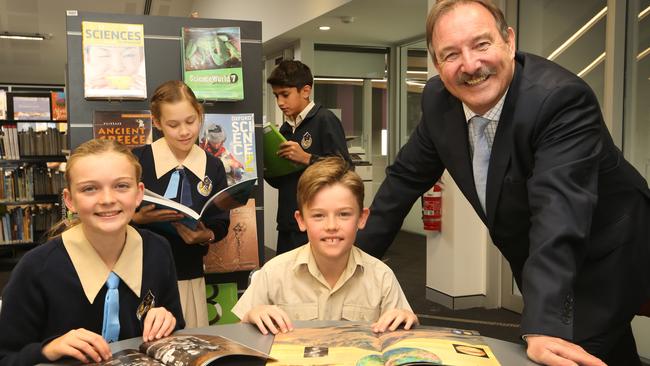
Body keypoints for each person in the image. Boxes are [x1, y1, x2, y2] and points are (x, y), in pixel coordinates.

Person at [356, 1, 650, 365]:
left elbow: (559, 214)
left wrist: (544, 326)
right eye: (451, 54)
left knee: (568, 352)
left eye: (481, 44)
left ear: (509, 42)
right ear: (437, 64)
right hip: (541, 256)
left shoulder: (559, 100)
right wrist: (349, 261)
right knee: (609, 350)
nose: (470, 65)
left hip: (607, 250)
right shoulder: (438, 101)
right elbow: (402, 183)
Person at [0, 139, 184, 365]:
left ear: (139, 194)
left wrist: (167, 319)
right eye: (90, 189)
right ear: (69, 200)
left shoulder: (158, 250)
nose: (107, 200)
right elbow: (6, 356)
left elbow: (176, 328)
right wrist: (47, 350)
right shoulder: (36, 268)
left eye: (121, 186)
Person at [233, 157, 418, 335]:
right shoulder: (274, 273)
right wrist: (249, 318)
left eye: (344, 214)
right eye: (318, 216)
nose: (331, 226)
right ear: (301, 220)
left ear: (362, 218)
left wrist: (405, 321)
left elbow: (401, 342)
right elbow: (239, 337)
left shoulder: (381, 277)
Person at [131, 80, 230, 328]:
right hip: (141, 272)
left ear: (200, 115)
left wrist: (206, 235)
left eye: (191, 121)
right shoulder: (138, 160)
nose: (184, 132)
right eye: (173, 125)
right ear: (157, 122)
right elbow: (116, 212)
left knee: (188, 341)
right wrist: (137, 219)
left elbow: (220, 221)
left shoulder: (213, 165)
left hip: (188, 270)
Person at [265, 60, 352, 254]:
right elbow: (283, 181)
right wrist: (267, 168)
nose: (280, 102)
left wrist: (306, 158)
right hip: (288, 221)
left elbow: (345, 167)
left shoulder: (325, 120)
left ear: (305, 91)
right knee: (287, 281)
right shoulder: (284, 129)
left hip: (316, 222)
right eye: (276, 96)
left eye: (285, 95)